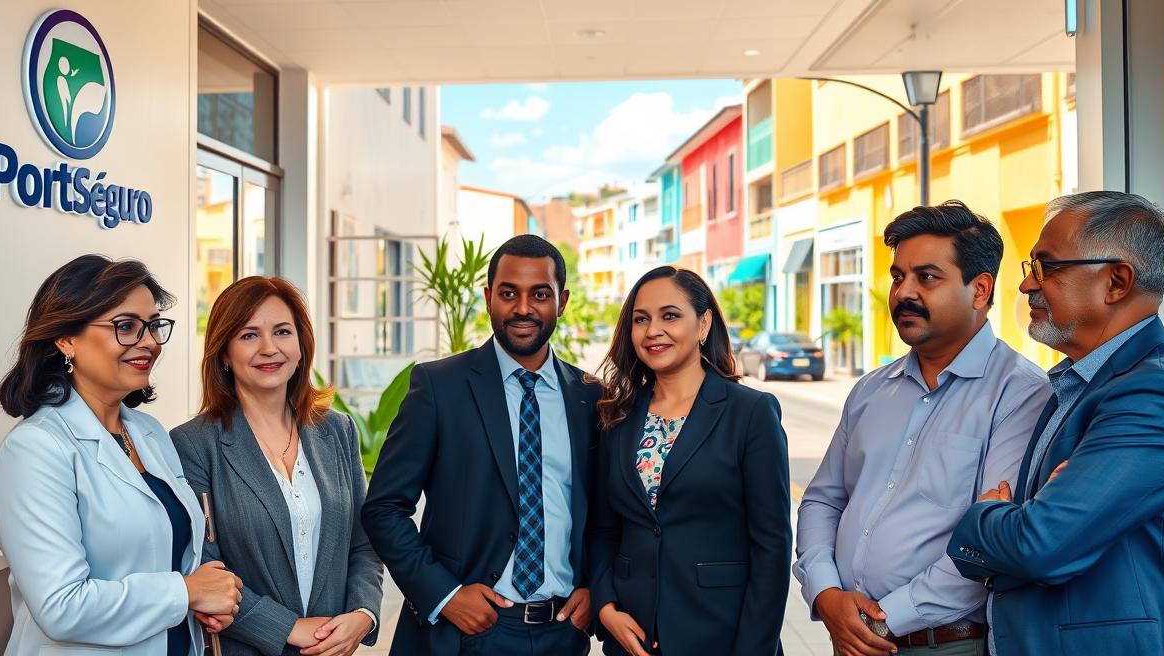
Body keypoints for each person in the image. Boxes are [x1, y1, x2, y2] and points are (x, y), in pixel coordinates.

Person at [947, 191, 1164, 655]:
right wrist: (1019, 527)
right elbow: (1040, 542)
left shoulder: (1158, 394)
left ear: (1116, 281)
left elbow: (1040, 544)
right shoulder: (1080, 384)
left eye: (1047, 267)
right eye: (1029, 269)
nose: (1026, 286)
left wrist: (982, 516)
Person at [795, 202, 1050, 656]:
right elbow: (823, 499)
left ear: (980, 289)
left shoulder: (1021, 395)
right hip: (851, 636)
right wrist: (826, 593)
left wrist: (883, 619)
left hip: (942, 644)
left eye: (926, 278)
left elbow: (991, 544)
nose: (903, 293)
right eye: (898, 277)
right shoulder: (872, 390)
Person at [0, 254, 242, 656]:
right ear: (65, 339)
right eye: (126, 327)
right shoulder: (36, 449)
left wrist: (207, 597)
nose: (151, 343)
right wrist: (186, 592)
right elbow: (61, 607)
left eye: (154, 326)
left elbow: (166, 554)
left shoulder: (149, 433)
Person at [363, 234, 600, 656]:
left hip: (562, 633)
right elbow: (383, 509)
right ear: (489, 297)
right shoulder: (439, 387)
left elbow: (604, 513)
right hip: (465, 634)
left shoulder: (590, 397)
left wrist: (594, 584)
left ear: (562, 302)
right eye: (509, 293)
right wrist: (444, 595)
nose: (523, 308)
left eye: (540, 294)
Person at [171, 276, 384, 656]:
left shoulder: (337, 430)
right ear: (223, 353)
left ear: (301, 345)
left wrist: (363, 612)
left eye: (282, 332)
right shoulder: (194, 443)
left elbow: (363, 542)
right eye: (249, 335)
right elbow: (203, 565)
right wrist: (288, 628)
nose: (269, 348)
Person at [591, 266, 791, 656]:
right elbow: (602, 530)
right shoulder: (617, 417)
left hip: (722, 635)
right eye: (641, 319)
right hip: (633, 637)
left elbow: (772, 546)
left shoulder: (750, 413)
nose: (653, 331)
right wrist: (605, 606)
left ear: (703, 324)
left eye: (670, 316)